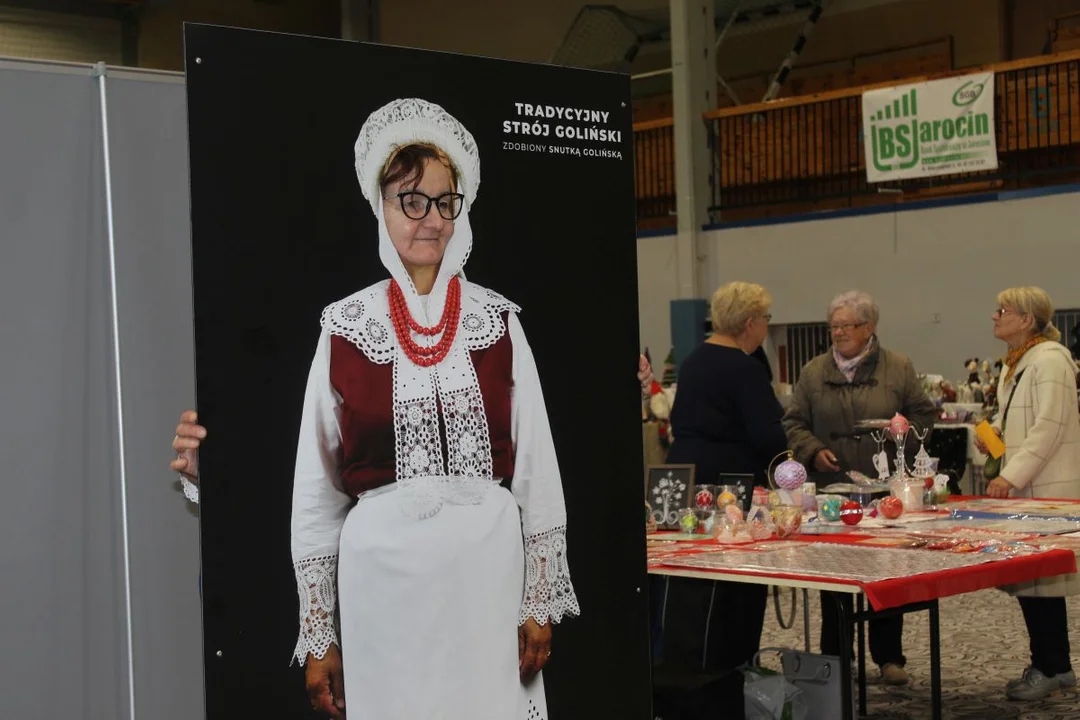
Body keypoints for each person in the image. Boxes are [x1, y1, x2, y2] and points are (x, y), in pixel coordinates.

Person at [172, 98, 579, 719]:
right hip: (383, 593)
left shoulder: (497, 321)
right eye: (410, 201)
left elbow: (538, 466)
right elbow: (314, 492)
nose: (430, 219)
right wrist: (320, 634)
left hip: (488, 586)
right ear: (380, 208)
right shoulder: (345, 327)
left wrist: (538, 602)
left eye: (445, 201)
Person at [782, 290, 935, 687]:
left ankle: (889, 659)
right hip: (832, 492)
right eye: (832, 326)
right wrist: (813, 451)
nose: (837, 333)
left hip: (884, 492)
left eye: (845, 326)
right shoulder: (813, 371)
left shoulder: (898, 367)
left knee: (886, 577)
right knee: (831, 579)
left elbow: (923, 416)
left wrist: (899, 435)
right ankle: (836, 659)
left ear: (869, 328)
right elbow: (793, 421)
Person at [652, 282, 788, 680]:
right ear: (750, 323)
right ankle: (732, 665)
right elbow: (769, 437)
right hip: (729, 486)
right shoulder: (745, 368)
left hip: (680, 477)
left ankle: (681, 664)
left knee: (682, 577)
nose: (765, 325)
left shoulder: (693, 361)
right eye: (765, 319)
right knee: (735, 582)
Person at [979, 286, 1080, 700]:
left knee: (1042, 581)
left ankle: (1050, 666)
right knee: (1034, 581)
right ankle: (1055, 665)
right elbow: (1021, 418)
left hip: (1045, 487)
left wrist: (1011, 475)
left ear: (1027, 319)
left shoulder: (1051, 359)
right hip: (1028, 487)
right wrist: (995, 436)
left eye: (1002, 310)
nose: (995, 316)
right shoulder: (1016, 362)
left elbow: (1050, 425)